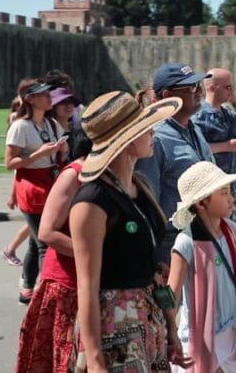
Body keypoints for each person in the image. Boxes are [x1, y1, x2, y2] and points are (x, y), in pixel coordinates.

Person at [69, 91, 191, 371]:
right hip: (115, 328)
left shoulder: (141, 188)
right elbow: (87, 286)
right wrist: (96, 359)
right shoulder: (93, 200)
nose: (153, 133)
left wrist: (170, 325)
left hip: (149, 320)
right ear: (125, 140)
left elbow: (154, 269)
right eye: (144, 128)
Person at [167, 161, 236, 372]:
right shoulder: (186, 242)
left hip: (231, 332)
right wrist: (169, 334)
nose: (231, 198)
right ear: (202, 203)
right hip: (200, 338)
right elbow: (172, 297)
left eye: (230, 191)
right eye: (223, 193)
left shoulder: (232, 230)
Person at [15, 128, 92, 373]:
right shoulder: (74, 173)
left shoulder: (116, 173)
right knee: (64, 362)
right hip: (67, 286)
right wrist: (96, 257)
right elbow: (47, 232)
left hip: (94, 283)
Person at [136, 63, 215, 263]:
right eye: (190, 88)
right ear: (166, 95)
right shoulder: (156, 139)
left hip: (202, 235)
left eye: (199, 85)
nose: (198, 92)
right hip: (171, 244)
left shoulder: (194, 128)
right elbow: (149, 203)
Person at [5, 79, 68, 304]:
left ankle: (27, 286)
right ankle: (47, 294)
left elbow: (62, 153)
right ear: (30, 99)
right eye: (43, 95)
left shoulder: (51, 124)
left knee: (34, 240)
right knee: (45, 243)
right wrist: (39, 154)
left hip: (51, 182)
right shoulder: (21, 126)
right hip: (32, 187)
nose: (49, 97)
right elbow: (10, 163)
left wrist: (62, 149)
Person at [193, 68, 236, 228]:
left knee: (234, 238)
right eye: (228, 87)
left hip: (230, 186)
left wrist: (235, 101)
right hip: (210, 188)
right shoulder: (200, 115)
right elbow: (197, 148)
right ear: (212, 88)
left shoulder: (227, 113)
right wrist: (226, 146)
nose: (231, 91)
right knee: (216, 240)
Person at [1, 94, 29, 267]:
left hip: (27, 173)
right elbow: (14, 166)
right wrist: (12, 194)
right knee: (38, 224)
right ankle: (10, 249)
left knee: (37, 224)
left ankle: (10, 248)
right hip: (23, 175)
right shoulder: (18, 125)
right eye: (18, 106)